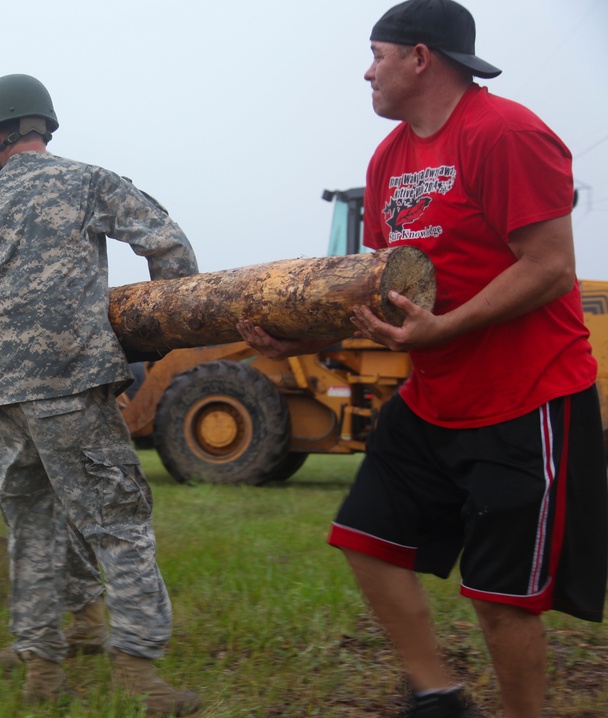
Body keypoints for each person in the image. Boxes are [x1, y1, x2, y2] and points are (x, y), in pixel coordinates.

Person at [238, 2, 607, 716]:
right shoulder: (390, 159)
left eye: (376, 54)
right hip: (435, 399)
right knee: (366, 539)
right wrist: (304, 340)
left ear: (420, 58)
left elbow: (552, 267)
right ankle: (438, 696)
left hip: (523, 397)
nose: (366, 70)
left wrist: (446, 329)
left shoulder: (505, 133)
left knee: (501, 601)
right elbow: (383, 290)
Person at [0, 73, 201, 715]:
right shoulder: (87, 180)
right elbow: (168, 246)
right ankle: (140, 670)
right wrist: (156, 334)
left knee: (31, 530)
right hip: (71, 385)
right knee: (117, 525)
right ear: (45, 127)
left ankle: (41, 668)